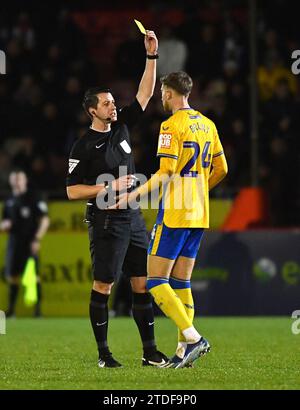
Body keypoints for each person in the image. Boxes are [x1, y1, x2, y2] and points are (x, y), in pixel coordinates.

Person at [66, 30, 168, 368]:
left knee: (142, 284)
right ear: (92, 111)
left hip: (133, 217)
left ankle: (149, 353)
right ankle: (104, 354)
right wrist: (104, 188)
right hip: (106, 220)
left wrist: (151, 56)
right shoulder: (83, 146)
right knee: (104, 285)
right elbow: (71, 190)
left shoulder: (122, 126)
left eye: (113, 102)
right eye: (107, 103)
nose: (114, 105)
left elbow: (145, 91)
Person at [113, 71, 228, 368]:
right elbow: (222, 168)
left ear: (168, 93)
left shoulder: (170, 126)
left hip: (176, 211)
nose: (162, 97)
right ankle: (182, 351)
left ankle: (193, 337)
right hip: (200, 212)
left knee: (155, 281)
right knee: (182, 281)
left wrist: (131, 196)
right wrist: (199, 189)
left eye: (163, 92)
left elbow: (165, 173)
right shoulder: (208, 124)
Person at [0, 170, 50, 318]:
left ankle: (38, 311)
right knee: (12, 276)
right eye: (14, 179)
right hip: (14, 243)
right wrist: (4, 225)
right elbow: (5, 221)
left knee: (33, 276)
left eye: (19, 179)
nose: (17, 182)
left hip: (30, 242)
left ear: (25, 180)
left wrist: (37, 239)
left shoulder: (34, 197)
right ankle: (11, 310)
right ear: (10, 181)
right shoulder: (9, 200)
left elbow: (45, 220)